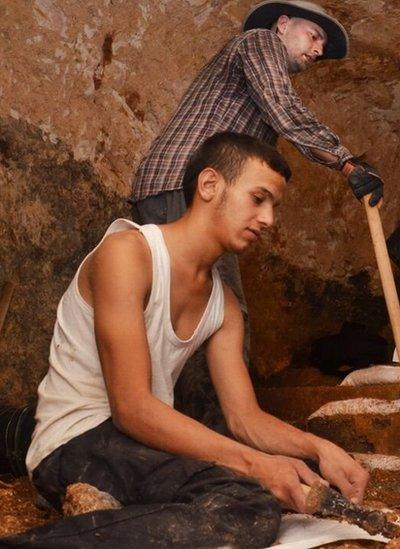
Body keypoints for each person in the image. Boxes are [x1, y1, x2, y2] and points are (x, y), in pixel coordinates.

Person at [2, 133, 369, 548]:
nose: (269, 219)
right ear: (210, 185)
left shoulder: (225, 305)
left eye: (274, 206)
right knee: (244, 505)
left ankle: (106, 512)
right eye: (258, 198)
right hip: (78, 439)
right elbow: (132, 409)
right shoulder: (128, 254)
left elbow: (244, 418)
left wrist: (320, 448)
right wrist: (256, 465)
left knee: (298, 475)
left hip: (139, 442)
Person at [129, 0, 384, 429]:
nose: (318, 50)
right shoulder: (260, 40)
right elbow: (285, 112)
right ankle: (219, 432)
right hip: (187, 187)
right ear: (283, 24)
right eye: (314, 36)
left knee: (180, 311)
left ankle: (191, 429)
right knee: (215, 310)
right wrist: (347, 163)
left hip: (181, 187)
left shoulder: (258, 65)